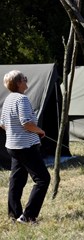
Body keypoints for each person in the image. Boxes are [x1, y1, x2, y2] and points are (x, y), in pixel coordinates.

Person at [0, 70, 51, 224]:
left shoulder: (9, 99)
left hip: (13, 145)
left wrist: (15, 132)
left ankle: (14, 215)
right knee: (43, 179)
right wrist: (40, 131)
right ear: (18, 83)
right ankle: (28, 216)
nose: (26, 80)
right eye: (24, 78)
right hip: (25, 146)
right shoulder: (22, 99)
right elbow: (27, 123)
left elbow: (2, 124)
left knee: (17, 180)